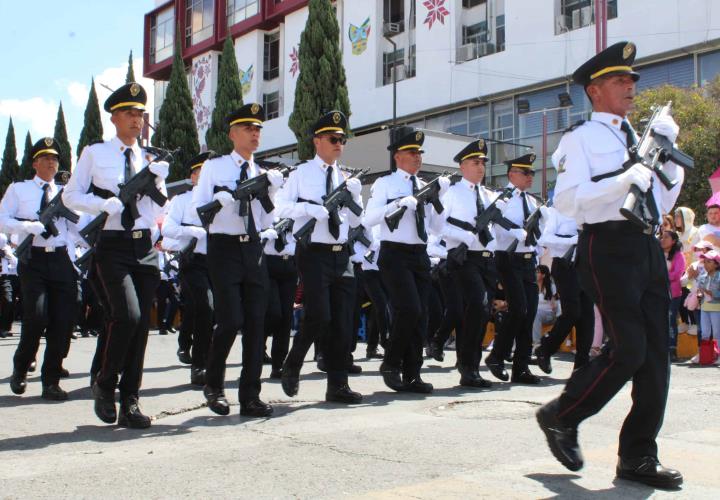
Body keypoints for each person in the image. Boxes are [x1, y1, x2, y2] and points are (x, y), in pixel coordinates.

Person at [537, 41, 684, 488]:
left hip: (646, 249)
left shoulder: (638, 139)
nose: (630, 87)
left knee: (657, 357)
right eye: (620, 80)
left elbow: (661, 201)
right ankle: (562, 415)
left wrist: (668, 157)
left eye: (632, 80)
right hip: (608, 247)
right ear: (595, 90)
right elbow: (566, 201)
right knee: (629, 348)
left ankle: (637, 457)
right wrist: (621, 179)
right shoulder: (580, 138)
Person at [63, 83, 169, 428]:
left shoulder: (150, 158)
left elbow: (156, 207)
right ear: (114, 118)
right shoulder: (96, 153)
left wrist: (159, 182)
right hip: (112, 244)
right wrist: (99, 204)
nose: (137, 120)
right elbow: (70, 196)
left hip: (144, 248)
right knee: (127, 316)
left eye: (140, 113)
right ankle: (106, 384)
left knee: (141, 328)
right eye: (130, 113)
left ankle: (131, 400)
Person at [192, 103, 282, 418]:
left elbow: (270, 217)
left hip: (253, 248)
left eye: (258, 129)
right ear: (233, 134)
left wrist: (270, 191)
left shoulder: (262, 173)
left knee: (257, 324)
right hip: (224, 248)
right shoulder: (215, 168)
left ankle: (250, 396)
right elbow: (197, 208)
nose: (254, 133)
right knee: (231, 319)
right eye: (248, 128)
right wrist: (218, 201)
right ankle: (214, 384)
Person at [277, 110, 364, 404]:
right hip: (313, 253)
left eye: (342, 139)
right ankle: (294, 362)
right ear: (317, 141)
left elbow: (356, 223)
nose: (339, 143)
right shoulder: (301, 174)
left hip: (343, 255)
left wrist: (354, 199)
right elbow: (280, 207)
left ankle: (337, 385)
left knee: (342, 322)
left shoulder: (347, 177)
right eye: (333, 138)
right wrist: (307, 209)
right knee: (318, 316)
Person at [363, 127, 449, 393]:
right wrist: (398, 204)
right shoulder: (386, 184)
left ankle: (413, 373)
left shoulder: (424, 187)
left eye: (419, 153)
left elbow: (436, 228)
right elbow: (369, 218)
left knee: (421, 315)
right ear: (397, 157)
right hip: (395, 253)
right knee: (408, 309)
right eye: (412, 153)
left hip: (419, 255)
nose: (417, 157)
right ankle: (390, 362)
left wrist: (438, 199)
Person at [0, 138, 78, 400]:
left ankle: (51, 380)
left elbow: (75, 227)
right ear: (34, 163)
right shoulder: (19, 189)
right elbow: (2, 219)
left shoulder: (66, 193)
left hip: (60, 259)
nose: (51, 162)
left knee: (62, 321)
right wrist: (26, 227)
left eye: (55, 158)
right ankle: (21, 368)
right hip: (32, 260)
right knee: (36, 317)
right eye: (45, 158)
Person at [438, 139, 499, 388]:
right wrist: (461, 235)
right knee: (478, 304)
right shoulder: (452, 193)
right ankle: (467, 365)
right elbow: (439, 225)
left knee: (483, 313)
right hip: (465, 260)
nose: (481, 167)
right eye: (475, 162)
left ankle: (472, 365)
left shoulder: (489, 195)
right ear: (463, 166)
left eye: (483, 162)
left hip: (487, 260)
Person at [483, 153, 543, 384]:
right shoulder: (501, 197)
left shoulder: (531, 200)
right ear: (511, 174)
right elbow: (495, 220)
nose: (530, 177)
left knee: (529, 313)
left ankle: (521, 368)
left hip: (528, 260)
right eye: (526, 172)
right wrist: (513, 230)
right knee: (518, 309)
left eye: (532, 173)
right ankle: (497, 355)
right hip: (508, 259)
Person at [161, 152, 214, 386]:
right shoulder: (181, 201)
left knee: (213, 312)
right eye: (200, 174)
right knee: (202, 307)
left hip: (218, 261)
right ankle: (199, 364)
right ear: (192, 177)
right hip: (192, 262)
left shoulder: (220, 200)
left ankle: (207, 358)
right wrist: (190, 231)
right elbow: (168, 231)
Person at [534, 205, 594, 372]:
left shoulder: (588, 211)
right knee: (572, 312)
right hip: (564, 266)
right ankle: (545, 348)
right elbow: (545, 239)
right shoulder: (557, 212)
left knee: (587, 317)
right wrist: (571, 240)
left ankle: (582, 365)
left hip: (586, 267)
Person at [262, 215, 298, 379]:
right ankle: (258, 345)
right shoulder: (268, 206)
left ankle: (278, 365)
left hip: (289, 264)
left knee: (285, 318)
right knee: (273, 313)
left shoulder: (294, 209)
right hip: (268, 263)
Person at [660, 230, 685, 356]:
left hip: (673, 294)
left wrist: (660, 276)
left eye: (666, 237)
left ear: (673, 241)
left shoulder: (678, 255)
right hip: (657, 293)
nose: (662, 239)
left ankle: (671, 348)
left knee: (670, 320)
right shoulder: (656, 254)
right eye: (661, 237)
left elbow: (676, 275)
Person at [532, 264, 558, 347]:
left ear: (543, 275)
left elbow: (555, 305)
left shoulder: (551, 286)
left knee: (536, 314)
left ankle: (537, 343)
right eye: (535, 272)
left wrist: (554, 305)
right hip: (537, 314)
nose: (535, 274)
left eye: (537, 272)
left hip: (550, 315)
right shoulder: (533, 286)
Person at [0, 234, 18, 338]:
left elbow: (15, 263)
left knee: (8, 300)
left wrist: (7, 255)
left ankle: (3, 327)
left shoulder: (6, 249)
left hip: (4, 278)